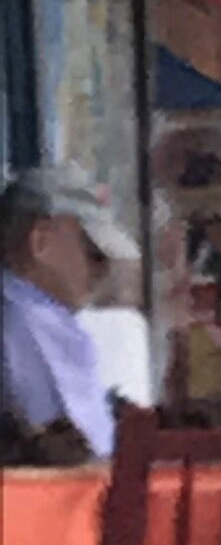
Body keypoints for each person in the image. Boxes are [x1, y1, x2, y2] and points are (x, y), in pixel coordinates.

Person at [0, 164, 133, 462]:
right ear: (41, 242)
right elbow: (88, 459)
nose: (104, 270)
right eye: (94, 253)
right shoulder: (29, 316)